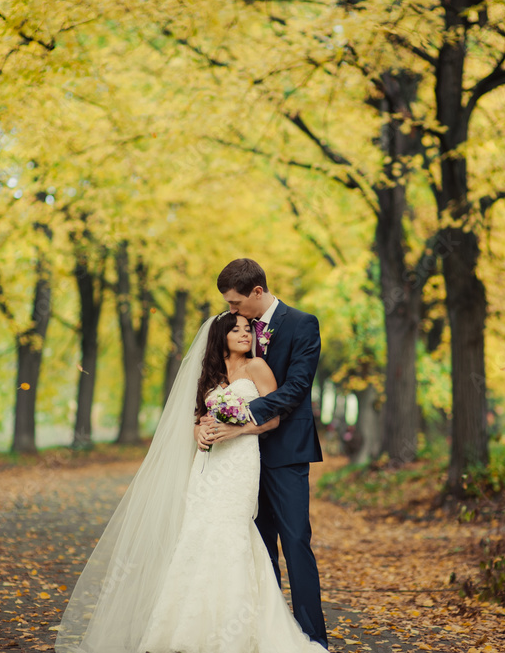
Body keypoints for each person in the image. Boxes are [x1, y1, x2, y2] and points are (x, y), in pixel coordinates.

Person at [54, 310, 325, 653]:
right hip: (208, 466)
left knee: (232, 532)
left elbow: (273, 420)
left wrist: (236, 429)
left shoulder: (257, 367)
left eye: (247, 329)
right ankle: (188, 627)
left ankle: (239, 631)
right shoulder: (208, 373)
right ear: (220, 337)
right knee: (198, 533)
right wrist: (200, 432)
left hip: (240, 462)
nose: (245, 334)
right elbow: (198, 416)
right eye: (236, 330)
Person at [198, 258, 328, 648]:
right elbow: (212, 380)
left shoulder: (303, 324)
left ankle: (311, 638)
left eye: (237, 303)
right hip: (238, 463)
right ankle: (266, 634)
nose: (232, 311)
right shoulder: (234, 329)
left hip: (285, 452)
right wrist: (204, 422)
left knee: (295, 542)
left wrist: (242, 415)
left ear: (257, 292)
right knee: (255, 547)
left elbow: (296, 388)